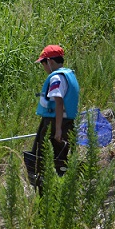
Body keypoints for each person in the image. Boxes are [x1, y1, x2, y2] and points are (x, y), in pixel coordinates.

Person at [28, 45, 80, 189]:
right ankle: (60, 188)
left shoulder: (56, 78)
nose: (44, 67)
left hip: (54, 123)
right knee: (60, 159)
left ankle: (45, 193)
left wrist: (57, 130)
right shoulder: (69, 75)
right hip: (67, 122)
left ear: (50, 61)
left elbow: (58, 101)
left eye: (43, 63)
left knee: (41, 159)